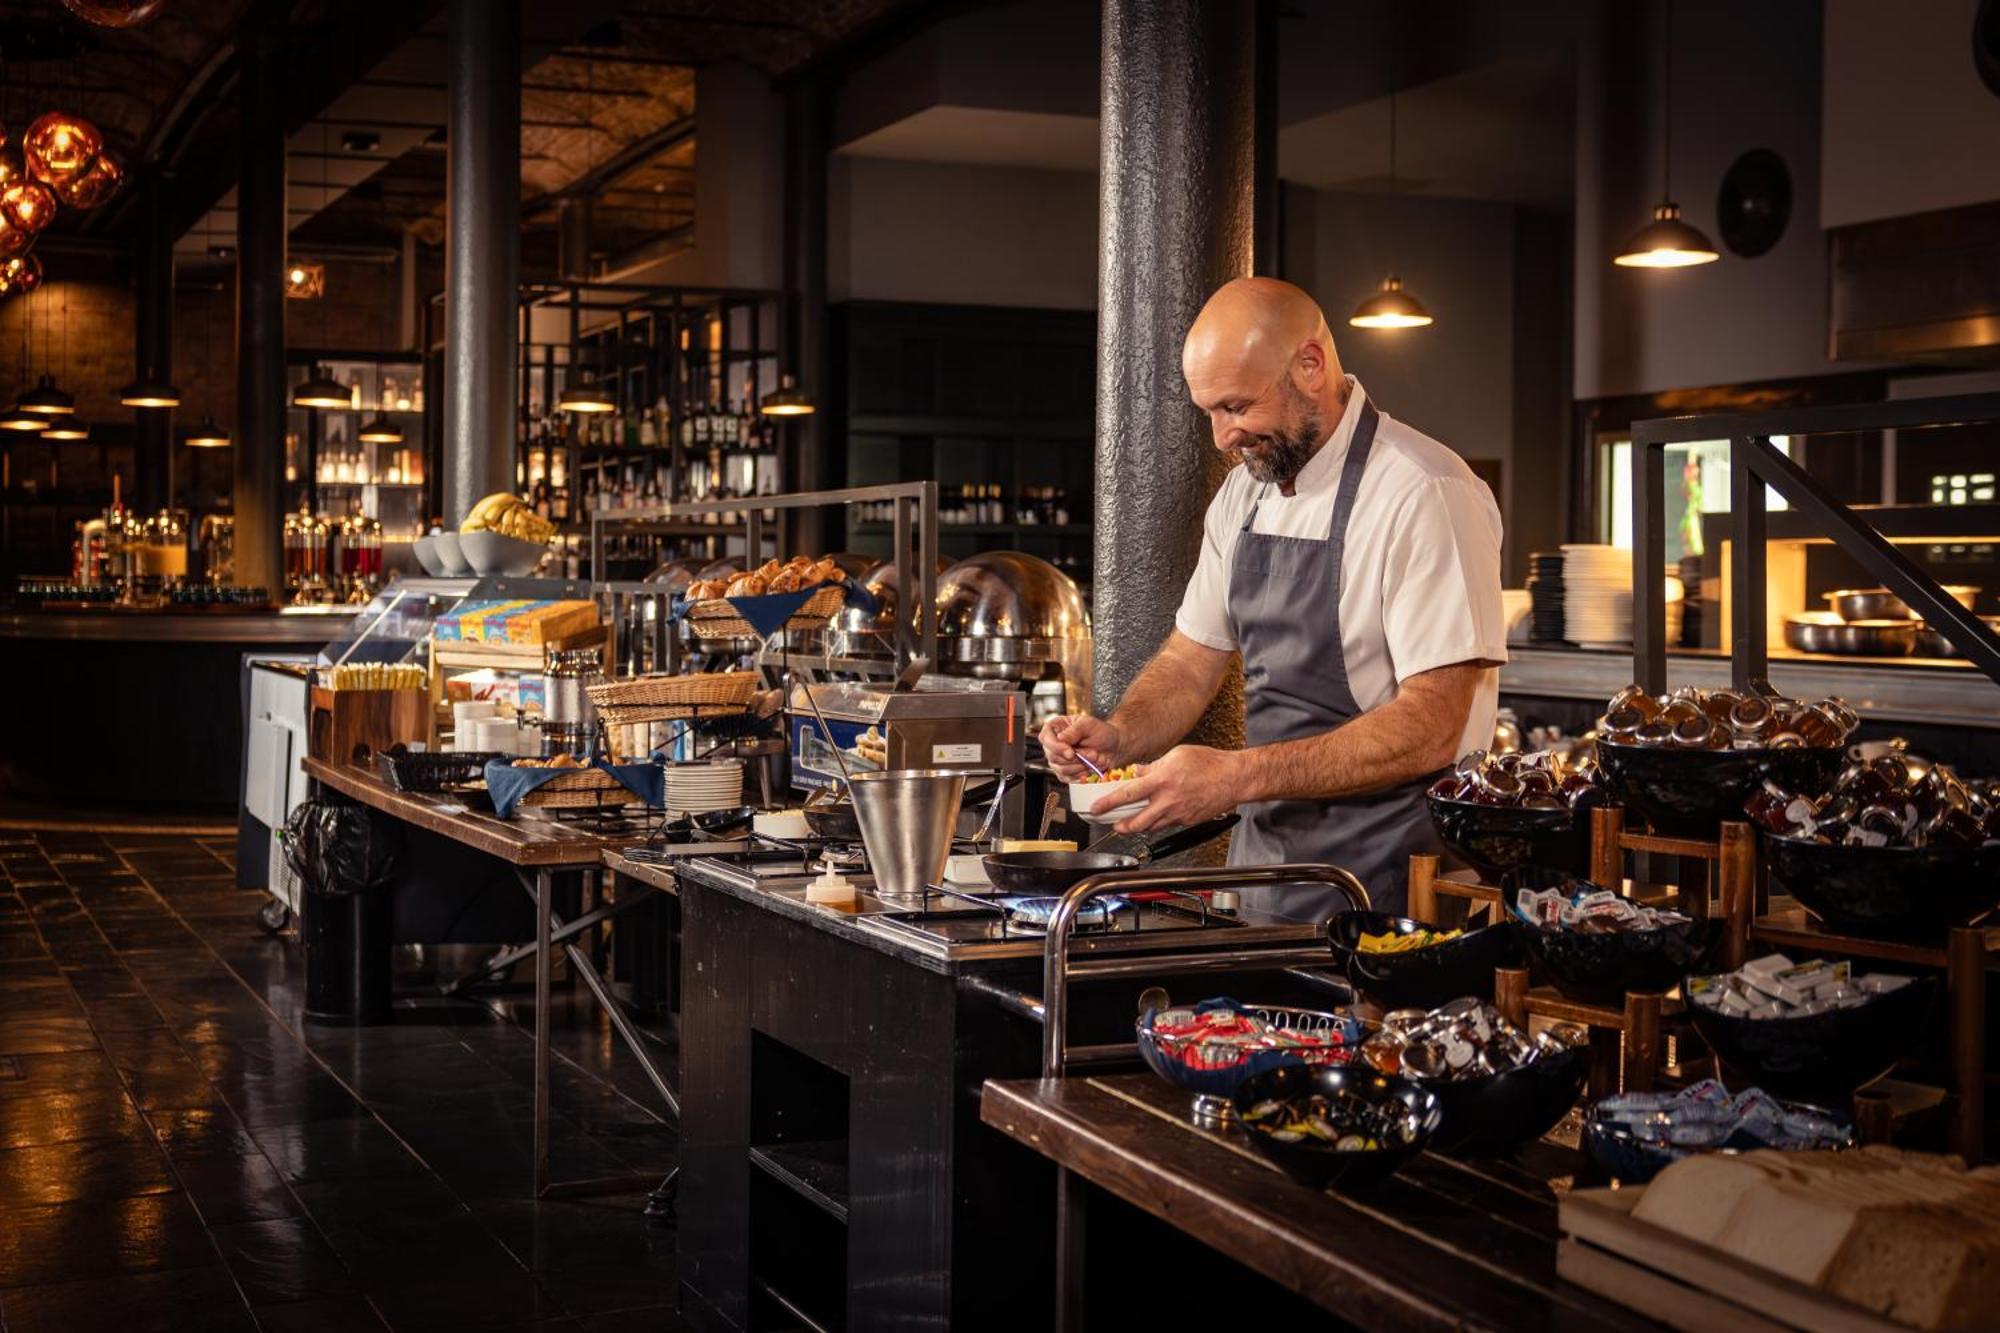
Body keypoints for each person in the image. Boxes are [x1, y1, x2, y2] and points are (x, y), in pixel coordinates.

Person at [1044, 277, 1505, 919]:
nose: (1222, 437)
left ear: (1310, 366)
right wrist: (1120, 737)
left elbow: (1431, 728)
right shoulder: (1244, 496)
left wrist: (1235, 777)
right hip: (1268, 871)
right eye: (1209, 412)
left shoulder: (1425, 493)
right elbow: (1188, 660)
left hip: (1394, 885)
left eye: (1236, 406)